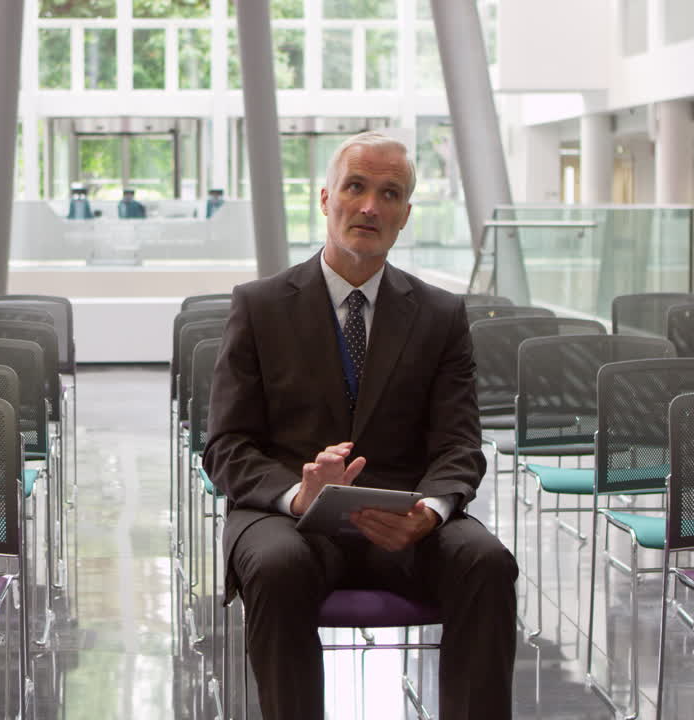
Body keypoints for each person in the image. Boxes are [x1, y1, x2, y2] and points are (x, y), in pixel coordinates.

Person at [203, 131, 517, 720]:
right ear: (326, 199)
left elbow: (459, 445)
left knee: (488, 561)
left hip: (404, 519)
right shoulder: (260, 305)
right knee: (275, 567)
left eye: (389, 193)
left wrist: (429, 511)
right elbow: (226, 446)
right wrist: (299, 493)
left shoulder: (442, 315)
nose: (370, 206)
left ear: (405, 215)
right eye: (356, 187)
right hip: (285, 519)